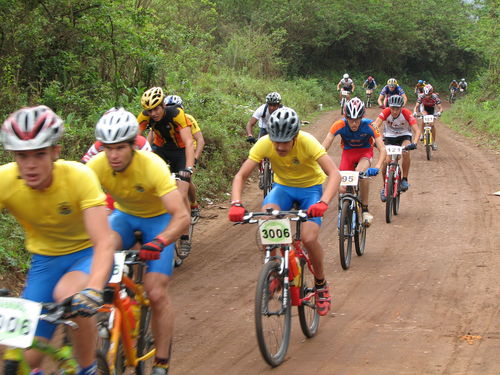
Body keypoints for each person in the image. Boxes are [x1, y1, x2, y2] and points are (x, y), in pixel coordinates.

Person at [0, 105, 114, 375]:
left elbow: (104, 242)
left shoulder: (78, 177)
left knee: (70, 295)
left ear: (55, 152)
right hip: (44, 264)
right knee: (25, 360)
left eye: (39, 154)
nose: (30, 165)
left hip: (86, 256)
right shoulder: (5, 180)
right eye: (22, 155)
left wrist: (94, 288)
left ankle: (88, 368)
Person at [86, 108, 190, 375]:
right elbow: (79, 206)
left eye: (120, 148)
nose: (113, 155)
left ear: (133, 145)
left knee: (156, 292)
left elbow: (181, 217)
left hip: (159, 220)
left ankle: (161, 362)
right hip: (125, 216)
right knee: (99, 260)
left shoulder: (152, 166)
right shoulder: (96, 165)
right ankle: (115, 307)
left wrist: (161, 241)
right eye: (107, 148)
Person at [229, 107, 341, 316]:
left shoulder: (307, 142)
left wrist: (323, 203)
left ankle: (320, 283)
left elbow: (334, 174)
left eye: (285, 141)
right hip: (283, 190)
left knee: (308, 238)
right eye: (275, 141)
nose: (279, 147)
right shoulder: (265, 144)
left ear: (295, 136)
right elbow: (240, 176)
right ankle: (275, 270)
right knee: (267, 220)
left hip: (311, 190)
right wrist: (236, 203)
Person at [137, 87, 195, 257]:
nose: (153, 113)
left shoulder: (176, 114)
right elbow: (133, 139)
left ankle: (184, 236)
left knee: (182, 193)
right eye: (150, 110)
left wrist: (189, 169)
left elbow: (189, 142)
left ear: (163, 105)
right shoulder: (144, 117)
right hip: (160, 149)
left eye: (156, 108)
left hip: (180, 151)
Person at [322, 98, 386, 225]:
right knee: (341, 188)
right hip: (348, 154)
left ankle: (365, 210)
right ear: (346, 117)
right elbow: (324, 145)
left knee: (361, 174)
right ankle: (344, 208)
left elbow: (382, 148)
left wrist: (378, 166)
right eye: (351, 119)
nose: (354, 123)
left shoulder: (370, 125)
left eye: (357, 119)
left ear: (362, 117)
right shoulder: (339, 124)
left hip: (364, 153)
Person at [81, 133, 152, 211]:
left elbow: (149, 168)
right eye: (109, 148)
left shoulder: (141, 142)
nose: (114, 155)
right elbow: (85, 163)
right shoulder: (100, 143)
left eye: (120, 147)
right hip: (115, 189)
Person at [164, 94, 205, 222]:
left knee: (187, 178)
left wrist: (195, 158)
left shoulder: (188, 118)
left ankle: (193, 204)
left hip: (187, 151)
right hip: (170, 151)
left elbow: (200, 140)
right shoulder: (162, 120)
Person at [371, 95, 420, 201]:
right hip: (389, 137)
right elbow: (375, 125)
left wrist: (414, 143)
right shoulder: (386, 112)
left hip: (404, 136)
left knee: (406, 151)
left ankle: (404, 179)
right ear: (389, 107)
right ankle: (385, 187)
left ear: (401, 107)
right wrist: (374, 140)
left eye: (397, 108)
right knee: (386, 161)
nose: (394, 111)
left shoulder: (407, 113)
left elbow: (417, 130)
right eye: (392, 108)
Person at [413, 84, 443, 150]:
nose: (427, 97)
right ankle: (422, 134)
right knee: (424, 119)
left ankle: (434, 142)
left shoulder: (435, 97)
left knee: (432, 125)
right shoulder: (421, 96)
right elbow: (416, 106)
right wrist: (415, 112)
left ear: (431, 93)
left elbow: (440, 108)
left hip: (432, 110)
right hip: (424, 108)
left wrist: (439, 112)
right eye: (426, 95)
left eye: (429, 95)